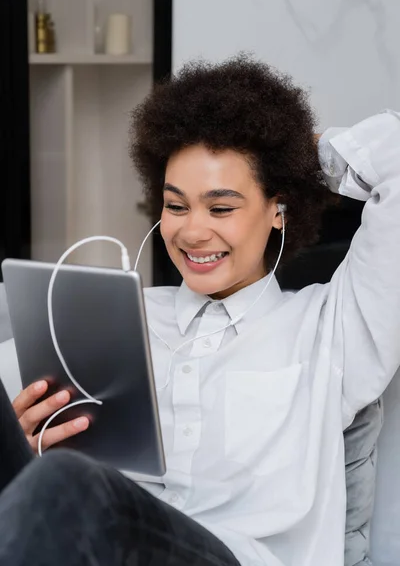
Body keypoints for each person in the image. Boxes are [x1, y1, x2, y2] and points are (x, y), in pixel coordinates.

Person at [1, 55, 399, 566]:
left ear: (278, 210)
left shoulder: (331, 328)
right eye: (176, 205)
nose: (191, 232)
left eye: (222, 207)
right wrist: (19, 444)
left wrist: (299, 161)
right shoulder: (124, 314)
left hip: (232, 557)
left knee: (73, 483)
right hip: (101, 544)